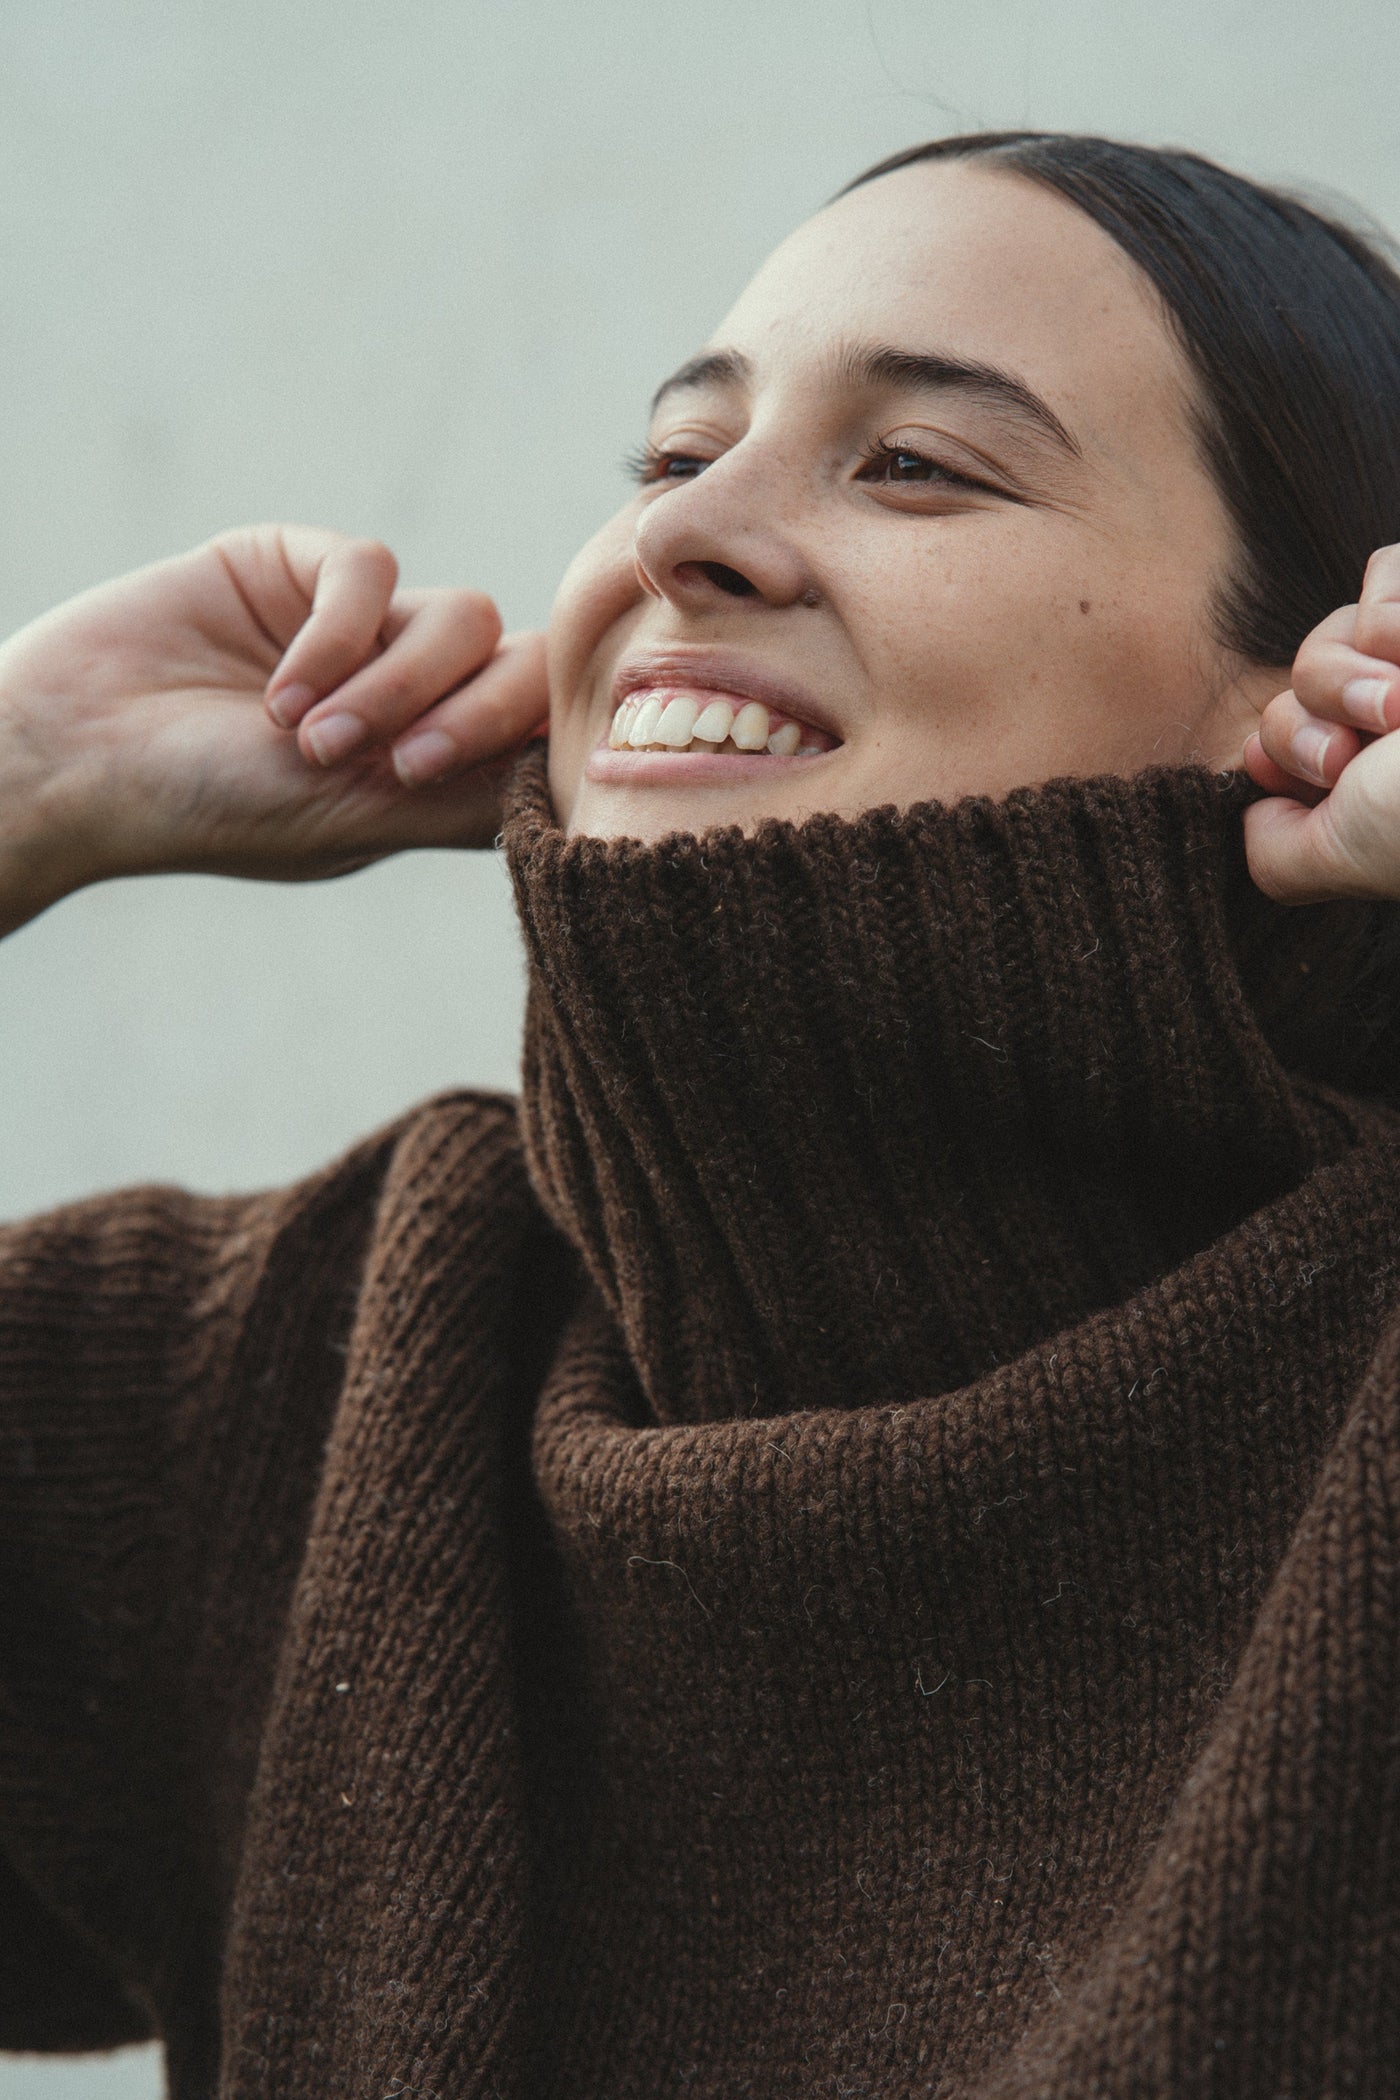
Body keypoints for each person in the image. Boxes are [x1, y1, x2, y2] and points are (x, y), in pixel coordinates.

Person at [3, 130, 1400, 2097]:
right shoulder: (308, 1381)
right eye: (672, 456)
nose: (686, 536)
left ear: (1316, 690)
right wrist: (22, 783)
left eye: (917, 461)